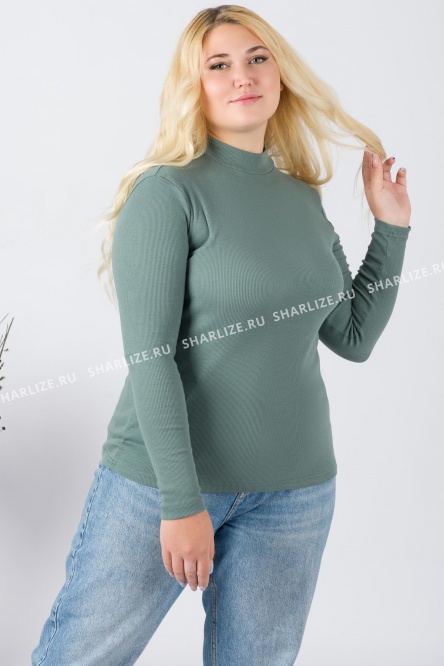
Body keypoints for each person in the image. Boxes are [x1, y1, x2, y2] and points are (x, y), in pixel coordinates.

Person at [31, 4, 412, 665]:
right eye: (219, 64)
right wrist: (181, 503)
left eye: (258, 58)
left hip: (295, 493)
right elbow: (151, 359)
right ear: (195, 85)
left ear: (281, 74)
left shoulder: (300, 197)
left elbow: (352, 336)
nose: (243, 75)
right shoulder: (166, 193)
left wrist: (392, 229)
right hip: (163, 485)